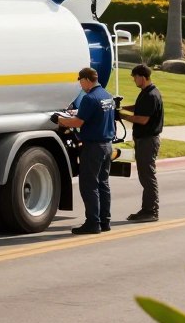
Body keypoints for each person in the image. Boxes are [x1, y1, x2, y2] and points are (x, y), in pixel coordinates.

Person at [54, 67, 115, 235]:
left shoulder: (89, 98)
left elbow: (78, 123)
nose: (80, 85)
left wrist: (60, 120)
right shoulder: (107, 96)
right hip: (107, 145)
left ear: (87, 80)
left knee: (89, 185)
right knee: (103, 183)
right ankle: (105, 221)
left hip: (93, 147)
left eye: (80, 81)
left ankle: (93, 222)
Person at [116, 64, 163, 222]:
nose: (134, 80)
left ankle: (151, 211)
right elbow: (139, 108)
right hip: (144, 140)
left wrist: (122, 116)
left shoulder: (151, 95)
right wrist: (122, 108)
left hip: (148, 141)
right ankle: (146, 209)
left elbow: (143, 119)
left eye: (135, 77)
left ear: (142, 77)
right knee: (145, 176)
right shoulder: (147, 92)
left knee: (147, 176)